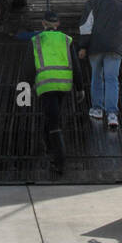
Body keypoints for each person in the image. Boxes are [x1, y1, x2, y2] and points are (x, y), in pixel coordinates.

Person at [29, 10, 85, 172]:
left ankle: (59, 162)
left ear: (43, 23)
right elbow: (75, 65)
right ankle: (48, 146)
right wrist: (80, 88)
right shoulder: (66, 39)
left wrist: (25, 87)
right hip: (63, 86)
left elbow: (28, 67)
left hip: (46, 85)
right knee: (52, 114)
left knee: (53, 122)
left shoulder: (36, 40)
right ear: (58, 24)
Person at [78, 0, 122, 130]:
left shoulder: (91, 4)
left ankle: (97, 110)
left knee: (97, 78)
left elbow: (86, 26)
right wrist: (119, 44)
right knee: (112, 79)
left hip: (96, 47)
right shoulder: (121, 6)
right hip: (114, 48)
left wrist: (83, 46)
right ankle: (112, 115)